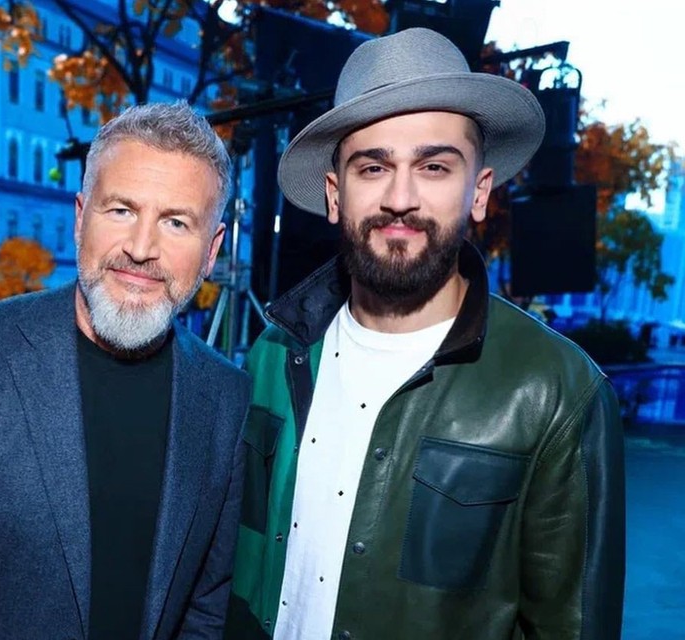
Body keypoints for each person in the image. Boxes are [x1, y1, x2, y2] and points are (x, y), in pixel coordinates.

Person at [225, 28, 625, 640]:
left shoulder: (556, 392)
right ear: (335, 195)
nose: (401, 198)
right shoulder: (274, 353)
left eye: (434, 166)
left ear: (479, 192)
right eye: (373, 166)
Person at [0, 102, 251, 640]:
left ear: (212, 250)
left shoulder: (225, 398)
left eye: (176, 222)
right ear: (80, 218)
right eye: (121, 210)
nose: (141, 248)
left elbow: (206, 606)